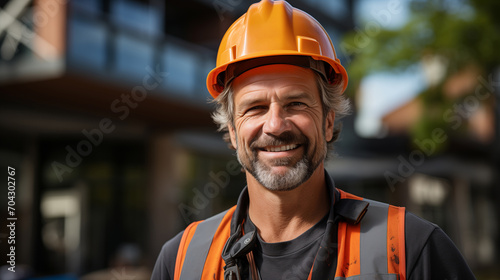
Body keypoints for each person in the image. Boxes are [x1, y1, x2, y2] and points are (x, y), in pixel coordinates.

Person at [152, 0, 476, 279]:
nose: (276, 125)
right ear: (233, 132)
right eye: (255, 107)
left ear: (328, 121)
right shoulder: (181, 262)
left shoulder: (412, 248)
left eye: (296, 103)